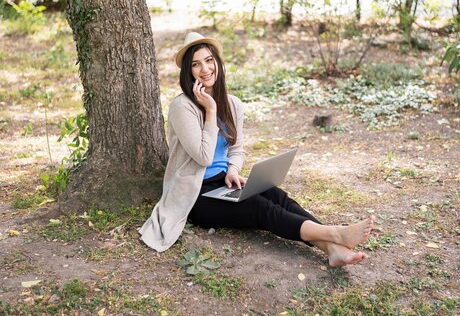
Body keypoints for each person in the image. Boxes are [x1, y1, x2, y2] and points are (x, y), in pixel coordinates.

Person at [140, 32, 375, 267]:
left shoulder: (232, 103)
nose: (205, 68)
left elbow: (237, 148)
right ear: (188, 72)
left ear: (217, 63)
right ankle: (335, 234)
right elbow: (202, 156)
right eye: (196, 64)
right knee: (259, 208)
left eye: (209, 60)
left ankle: (332, 249)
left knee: (277, 196)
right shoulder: (182, 107)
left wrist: (232, 169)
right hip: (196, 194)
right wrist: (210, 112)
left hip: (224, 183)